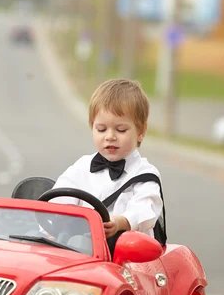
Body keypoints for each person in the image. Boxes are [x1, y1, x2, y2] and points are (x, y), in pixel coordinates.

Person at [52, 79, 165, 256]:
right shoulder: (82, 167)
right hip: (80, 251)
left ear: (141, 131)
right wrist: (56, 217)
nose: (110, 137)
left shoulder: (145, 174)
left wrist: (121, 222)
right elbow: (60, 197)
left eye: (120, 130)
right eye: (101, 129)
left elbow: (146, 210)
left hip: (127, 257)